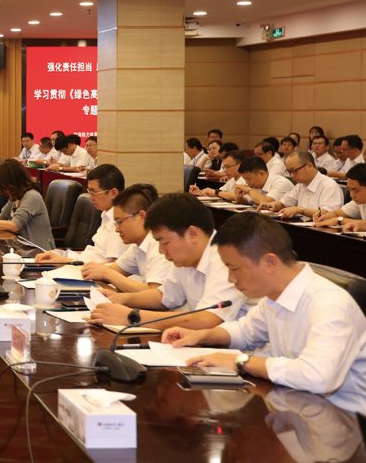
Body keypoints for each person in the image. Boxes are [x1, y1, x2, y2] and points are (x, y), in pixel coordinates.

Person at [162, 213, 366, 414]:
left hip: (345, 422)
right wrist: (201, 335)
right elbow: (244, 332)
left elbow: (318, 377)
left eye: (235, 269)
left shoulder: (329, 305)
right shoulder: (273, 297)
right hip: (297, 409)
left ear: (269, 262)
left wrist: (242, 362)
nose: (231, 279)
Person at [89, 193, 246, 330]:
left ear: (192, 234)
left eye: (165, 243)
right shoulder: (187, 257)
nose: (161, 251)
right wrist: (122, 299)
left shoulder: (226, 260)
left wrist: (133, 316)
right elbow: (164, 296)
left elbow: (206, 320)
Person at [80, 184, 173, 292]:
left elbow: (154, 292)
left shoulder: (159, 245)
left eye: (119, 222)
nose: (117, 229)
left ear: (142, 217)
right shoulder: (137, 246)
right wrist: (79, 270)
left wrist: (108, 274)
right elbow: (113, 269)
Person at [34, 164, 126, 264]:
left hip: (90, 272)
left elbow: (114, 265)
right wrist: (62, 254)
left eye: (94, 192)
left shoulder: (120, 221)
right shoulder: (106, 214)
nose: (90, 197)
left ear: (113, 193)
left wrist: (66, 261)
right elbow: (95, 254)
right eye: (89, 191)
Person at [0, 159, 55, 250]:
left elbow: (14, 226)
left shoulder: (32, 196)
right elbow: (1, 217)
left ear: (12, 181)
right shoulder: (15, 195)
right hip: (21, 248)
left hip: (38, 251)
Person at [261, 151, 345, 218]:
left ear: (309, 166)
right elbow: (284, 203)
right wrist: (273, 205)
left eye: (294, 171)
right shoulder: (300, 185)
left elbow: (328, 214)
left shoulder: (329, 186)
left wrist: (300, 210)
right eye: (289, 171)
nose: (292, 175)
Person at [317, 164, 366, 231]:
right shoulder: (359, 202)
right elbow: (336, 213)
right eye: (349, 190)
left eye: (356, 191)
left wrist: (339, 220)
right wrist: (324, 217)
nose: (351, 195)